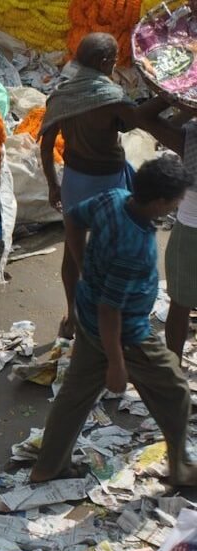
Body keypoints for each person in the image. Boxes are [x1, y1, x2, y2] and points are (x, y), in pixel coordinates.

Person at [30, 157, 197, 487]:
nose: (179, 204)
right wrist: (117, 365)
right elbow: (111, 312)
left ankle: (48, 466)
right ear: (161, 202)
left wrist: (84, 270)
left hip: (89, 316)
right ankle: (180, 467)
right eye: (177, 199)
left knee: (75, 396)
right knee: (175, 390)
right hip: (127, 334)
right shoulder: (133, 247)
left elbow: (74, 220)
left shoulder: (114, 198)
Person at [39, 33, 160, 339]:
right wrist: (166, 96)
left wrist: (53, 184)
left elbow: (46, 143)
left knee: (72, 252)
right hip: (108, 184)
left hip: (74, 181)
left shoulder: (63, 95)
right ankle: (109, 321)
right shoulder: (109, 98)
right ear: (104, 62)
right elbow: (138, 120)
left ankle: (72, 318)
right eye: (114, 59)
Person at [131, 95, 197, 359]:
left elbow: (143, 116)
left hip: (191, 233)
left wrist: (178, 95)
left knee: (180, 306)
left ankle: (174, 367)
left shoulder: (189, 140)